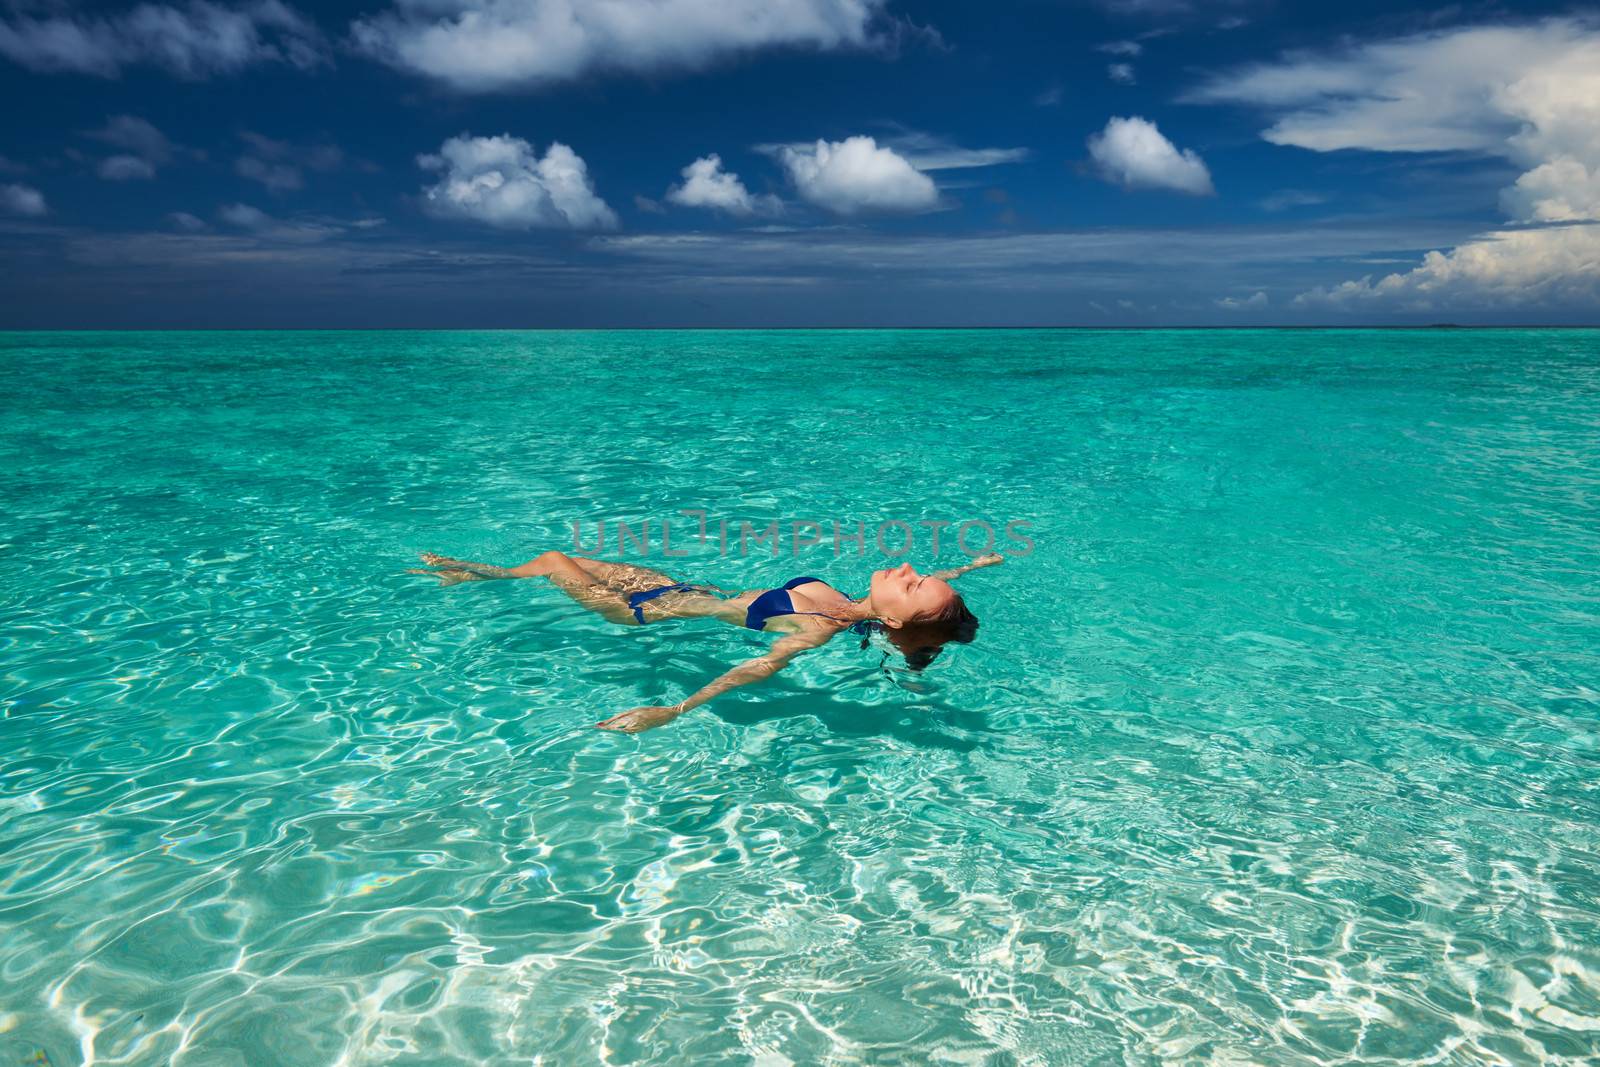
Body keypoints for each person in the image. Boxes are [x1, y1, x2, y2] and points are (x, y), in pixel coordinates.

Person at [409, 549, 1002, 732]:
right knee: (563, 558)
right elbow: (935, 595)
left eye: (913, 585)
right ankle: (475, 575)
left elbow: (758, 671)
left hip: (639, 613)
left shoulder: (818, 628)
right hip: (679, 589)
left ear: (897, 623)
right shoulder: (857, 605)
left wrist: (673, 709)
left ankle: (472, 573)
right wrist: (973, 568)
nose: (906, 571)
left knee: (550, 560)